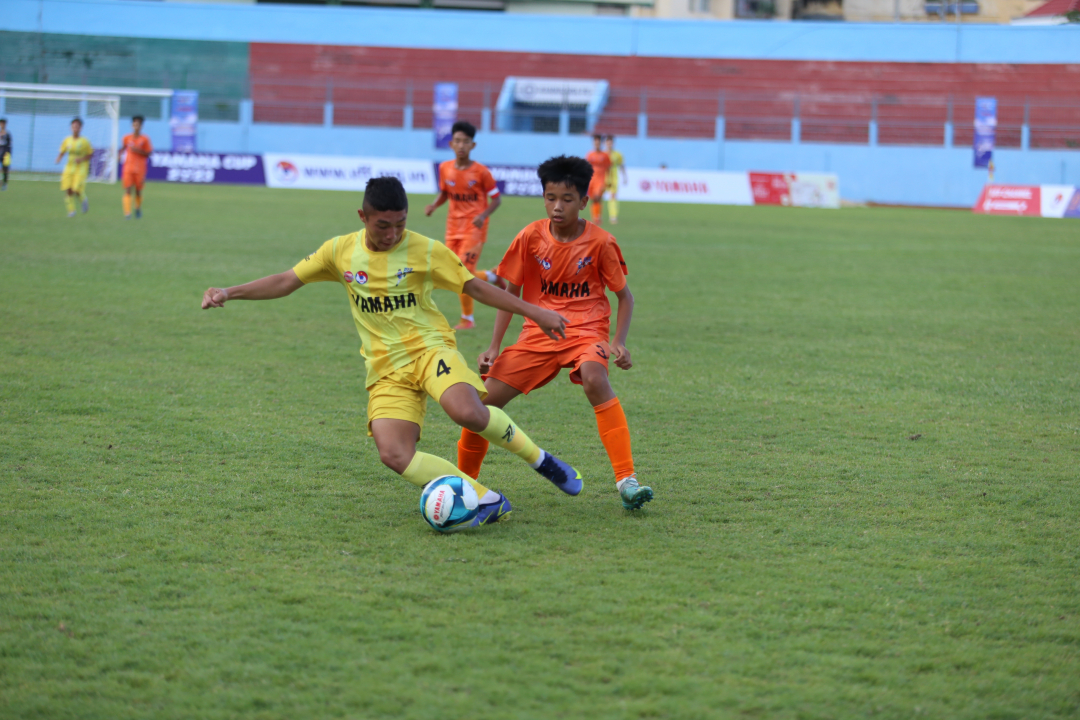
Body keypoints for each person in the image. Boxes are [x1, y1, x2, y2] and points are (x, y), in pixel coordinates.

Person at [201, 177, 584, 528]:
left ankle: (541, 460)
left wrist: (535, 311)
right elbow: (286, 280)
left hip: (430, 348)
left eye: (400, 223)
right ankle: (486, 500)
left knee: (467, 412)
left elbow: (475, 288)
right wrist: (228, 292)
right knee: (394, 454)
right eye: (383, 225)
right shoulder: (339, 251)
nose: (392, 233)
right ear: (363, 216)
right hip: (385, 369)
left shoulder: (426, 250)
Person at [457, 156, 653, 511]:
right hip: (538, 333)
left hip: (587, 329)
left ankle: (627, 480)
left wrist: (618, 342)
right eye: (550, 197)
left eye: (566, 198)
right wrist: (494, 346)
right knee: (479, 406)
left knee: (595, 378)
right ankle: (464, 485)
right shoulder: (531, 236)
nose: (557, 206)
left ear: (584, 201)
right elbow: (509, 293)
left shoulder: (601, 243)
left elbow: (625, 296)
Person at [424, 120, 505, 331]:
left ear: (473, 145)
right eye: (458, 141)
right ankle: (493, 276)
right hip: (452, 228)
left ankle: (467, 319)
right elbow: (445, 192)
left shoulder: (481, 172)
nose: (461, 145)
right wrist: (434, 205)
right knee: (453, 272)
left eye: (466, 142)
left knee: (463, 272)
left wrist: (483, 215)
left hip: (474, 229)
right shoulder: (445, 168)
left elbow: (496, 199)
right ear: (451, 144)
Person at [56, 118, 93, 217]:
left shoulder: (85, 141)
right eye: (73, 126)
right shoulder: (67, 140)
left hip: (81, 168)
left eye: (77, 126)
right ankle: (71, 211)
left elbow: (90, 154)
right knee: (68, 189)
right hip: (69, 168)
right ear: (71, 127)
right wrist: (58, 158)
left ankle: (83, 199)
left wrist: (81, 159)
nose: (75, 128)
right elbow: (62, 151)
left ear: (80, 128)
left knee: (76, 189)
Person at [121, 116, 153, 219]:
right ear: (132, 125)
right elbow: (123, 148)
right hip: (128, 168)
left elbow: (149, 153)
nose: (136, 127)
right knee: (128, 189)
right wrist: (118, 154)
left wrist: (137, 150)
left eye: (138, 125)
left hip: (140, 169)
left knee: (138, 191)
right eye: (134, 124)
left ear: (141, 126)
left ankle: (137, 207)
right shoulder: (126, 138)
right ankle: (127, 213)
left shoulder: (145, 139)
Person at [585, 135, 611, 227]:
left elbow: (609, 168)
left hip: (601, 180)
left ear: (601, 143)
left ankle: (597, 217)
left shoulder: (605, 155)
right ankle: (595, 217)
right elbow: (586, 167)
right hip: (591, 180)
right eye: (595, 142)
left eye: (598, 142)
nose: (597, 144)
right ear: (593, 143)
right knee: (593, 199)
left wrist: (609, 180)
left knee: (597, 196)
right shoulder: (590, 155)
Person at [604, 135, 627, 225]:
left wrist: (625, 177)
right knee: (598, 196)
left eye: (611, 142)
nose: (609, 144)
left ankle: (613, 217)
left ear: (613, 143)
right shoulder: (602, 154)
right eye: (607, 142)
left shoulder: (618, 154)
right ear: (605, 143)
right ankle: (597, 216)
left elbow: (622, 166)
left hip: (613, 178)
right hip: (603, 177)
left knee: (613, 197)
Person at [0, 118, 11, 191]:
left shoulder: (7, 134)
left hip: (5, 154)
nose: (2, 125)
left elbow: (9, 145)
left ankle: (5, 184)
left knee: (5, 169)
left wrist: (8, 154)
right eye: (1, 123)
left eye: (3, 123)